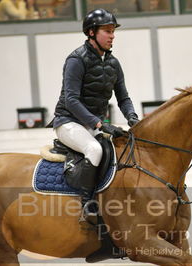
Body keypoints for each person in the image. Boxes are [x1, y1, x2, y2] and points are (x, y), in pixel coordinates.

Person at [51, 8, 139, 222]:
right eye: (107, 31)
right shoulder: (76, 60)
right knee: (94, 149)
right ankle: (87, 205)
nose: (112, 35)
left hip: (93, 125)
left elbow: (123, 98)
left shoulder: (113, 63)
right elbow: (71, 100)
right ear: (91, 33)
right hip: (68, 122)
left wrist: (133, 118)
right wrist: (100, 124)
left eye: (113, 31)